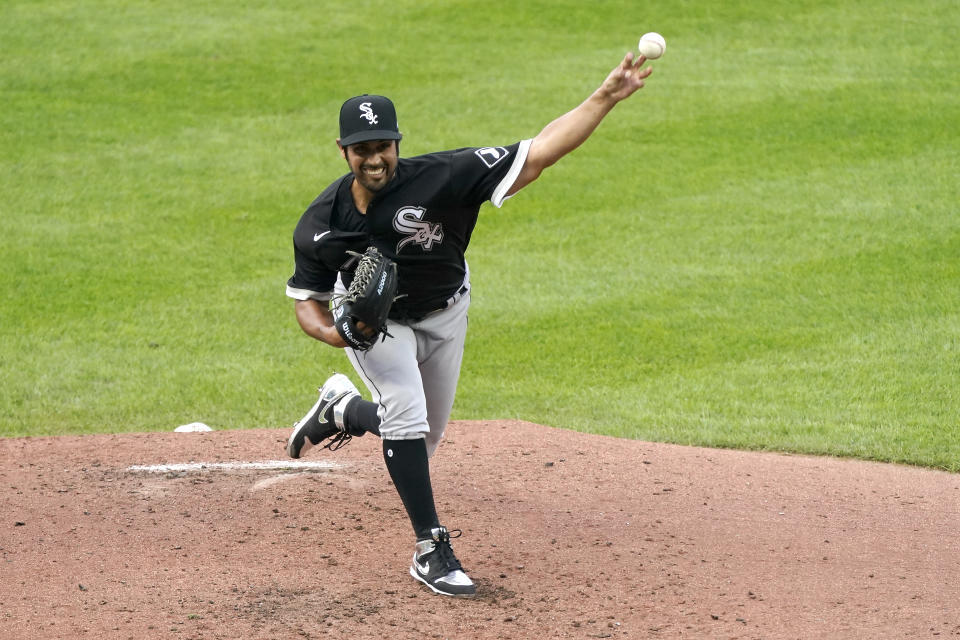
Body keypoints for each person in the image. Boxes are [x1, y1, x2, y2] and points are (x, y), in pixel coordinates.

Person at [283, 52, 655, 597]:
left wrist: (604, 97)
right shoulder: (320, 225)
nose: (374, 158)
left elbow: (540, 152)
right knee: (406, 413)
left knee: (423, 437)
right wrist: (337, 334)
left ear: (396, 144)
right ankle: (431, 548)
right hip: (376, 325)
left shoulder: (445, 177)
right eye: (362, 149)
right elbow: (305, 303)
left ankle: (342, 408)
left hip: (446, 309)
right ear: (343, 151)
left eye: (382, 146)